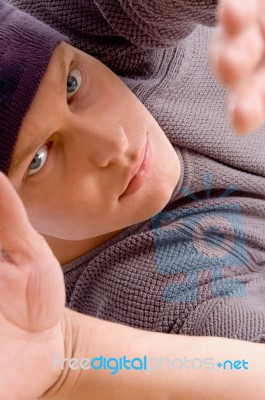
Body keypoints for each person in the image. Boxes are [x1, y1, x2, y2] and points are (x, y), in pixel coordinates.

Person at [0, 0, 264, 399]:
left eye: (71, 85)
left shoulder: (53, 35)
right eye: (38, 159)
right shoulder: (155, 301)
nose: (114, 141)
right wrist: (75, 354)